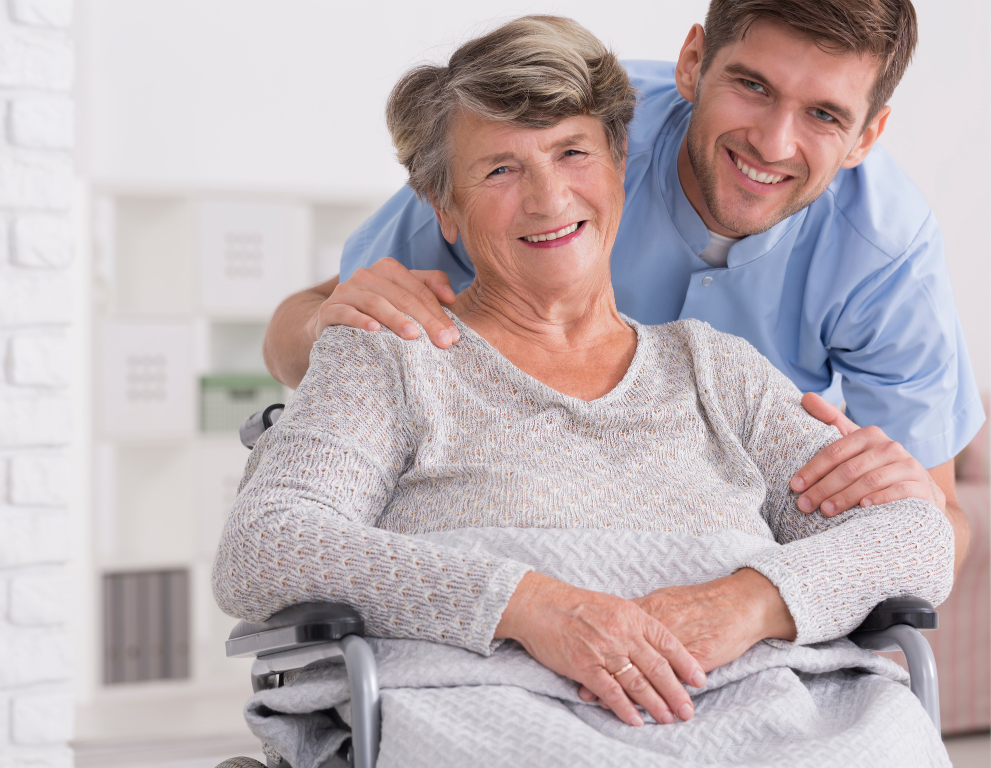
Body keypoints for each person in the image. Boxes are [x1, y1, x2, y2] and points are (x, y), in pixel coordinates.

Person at [214, 18, 952, 762]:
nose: (547, 197)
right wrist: (533, 604)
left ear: (617, 166)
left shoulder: (721, 370)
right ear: (443, 208)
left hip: (752, 699)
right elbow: (264, 544)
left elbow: (918, 535)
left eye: (573, 154)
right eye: (500, 170)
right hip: (501, 702)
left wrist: (745, 601)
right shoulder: (391, 353)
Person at [261, 0, 982, 571]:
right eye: (752, 86)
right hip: (516, 520)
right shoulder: (565, 139)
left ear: (867, 135)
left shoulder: (887, 254)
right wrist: (331, 331)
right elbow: (299, 329)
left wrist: (912, 519)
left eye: (824, 114)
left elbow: (938, 525)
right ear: (694, 62)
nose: (773, 142)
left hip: (734, 554)